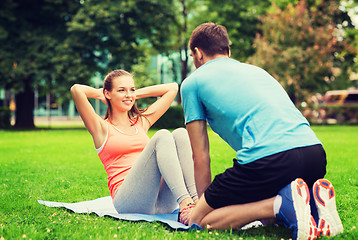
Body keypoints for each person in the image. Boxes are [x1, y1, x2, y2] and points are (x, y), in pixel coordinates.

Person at [180, 22, 343, 239]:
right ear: (228, 50)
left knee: (200, 221)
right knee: (253, 212)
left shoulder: (193, 83)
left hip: (270, 160)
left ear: (198, 54)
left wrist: (204, 205)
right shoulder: (257, 71)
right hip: (314, 155)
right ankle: (312, 206)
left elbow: (200, 157)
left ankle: (279, 205)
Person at [71, 69, 198, 225]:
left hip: (161, 202)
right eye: (121, 90)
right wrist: (100, 94)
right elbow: (76, 90)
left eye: (131, 89)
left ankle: (196, 201)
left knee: (180, 133)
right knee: (162, 135)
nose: (129, 94)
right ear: (108, 94)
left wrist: (132, 94)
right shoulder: (101, 128)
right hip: (129, 201)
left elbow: (172, 88)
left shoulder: (140, 123)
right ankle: (185, 203)